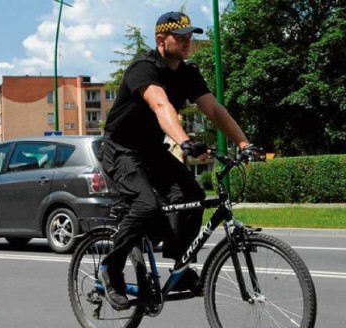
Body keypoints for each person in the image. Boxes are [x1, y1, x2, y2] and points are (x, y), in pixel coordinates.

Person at [98, 11, 264, 310]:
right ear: (162, 40)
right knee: (146, 206)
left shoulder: (188, 73)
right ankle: (111, 268)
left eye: (191, 37)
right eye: (181, 38)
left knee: (192, 196)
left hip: (151, 150)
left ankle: (180, 264)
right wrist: (184, 141)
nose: (188, 43)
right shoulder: (143, 68)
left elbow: (214, 109)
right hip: (121, 149)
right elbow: (161, 105)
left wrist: (244, 143)